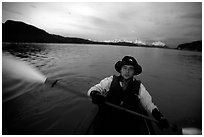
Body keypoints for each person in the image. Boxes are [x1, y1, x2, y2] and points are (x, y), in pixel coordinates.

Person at [87, 56, 169, 134]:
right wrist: (95, 94)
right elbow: (93, 89)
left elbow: (148, 104)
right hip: (109, 118)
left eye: (130, 69)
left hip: (128, 121)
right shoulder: (110, 81)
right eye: (125, 68)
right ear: (120, 70)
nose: (127, 71)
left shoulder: (139, 86)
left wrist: (158, 116)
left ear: (134, 72)